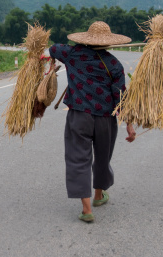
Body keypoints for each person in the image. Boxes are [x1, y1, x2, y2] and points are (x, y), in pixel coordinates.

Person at [48, 21, 136, 223]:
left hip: (79, 116)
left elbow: (53, 48)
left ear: (86, 38)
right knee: (103, 157)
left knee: (78, 158)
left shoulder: (72, 54)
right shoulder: (114, 64)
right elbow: (121, 98)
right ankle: (98, 196)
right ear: (109, 42)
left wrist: (73, 50)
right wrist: (129, 126)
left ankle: (86, 210)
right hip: (105, 119)